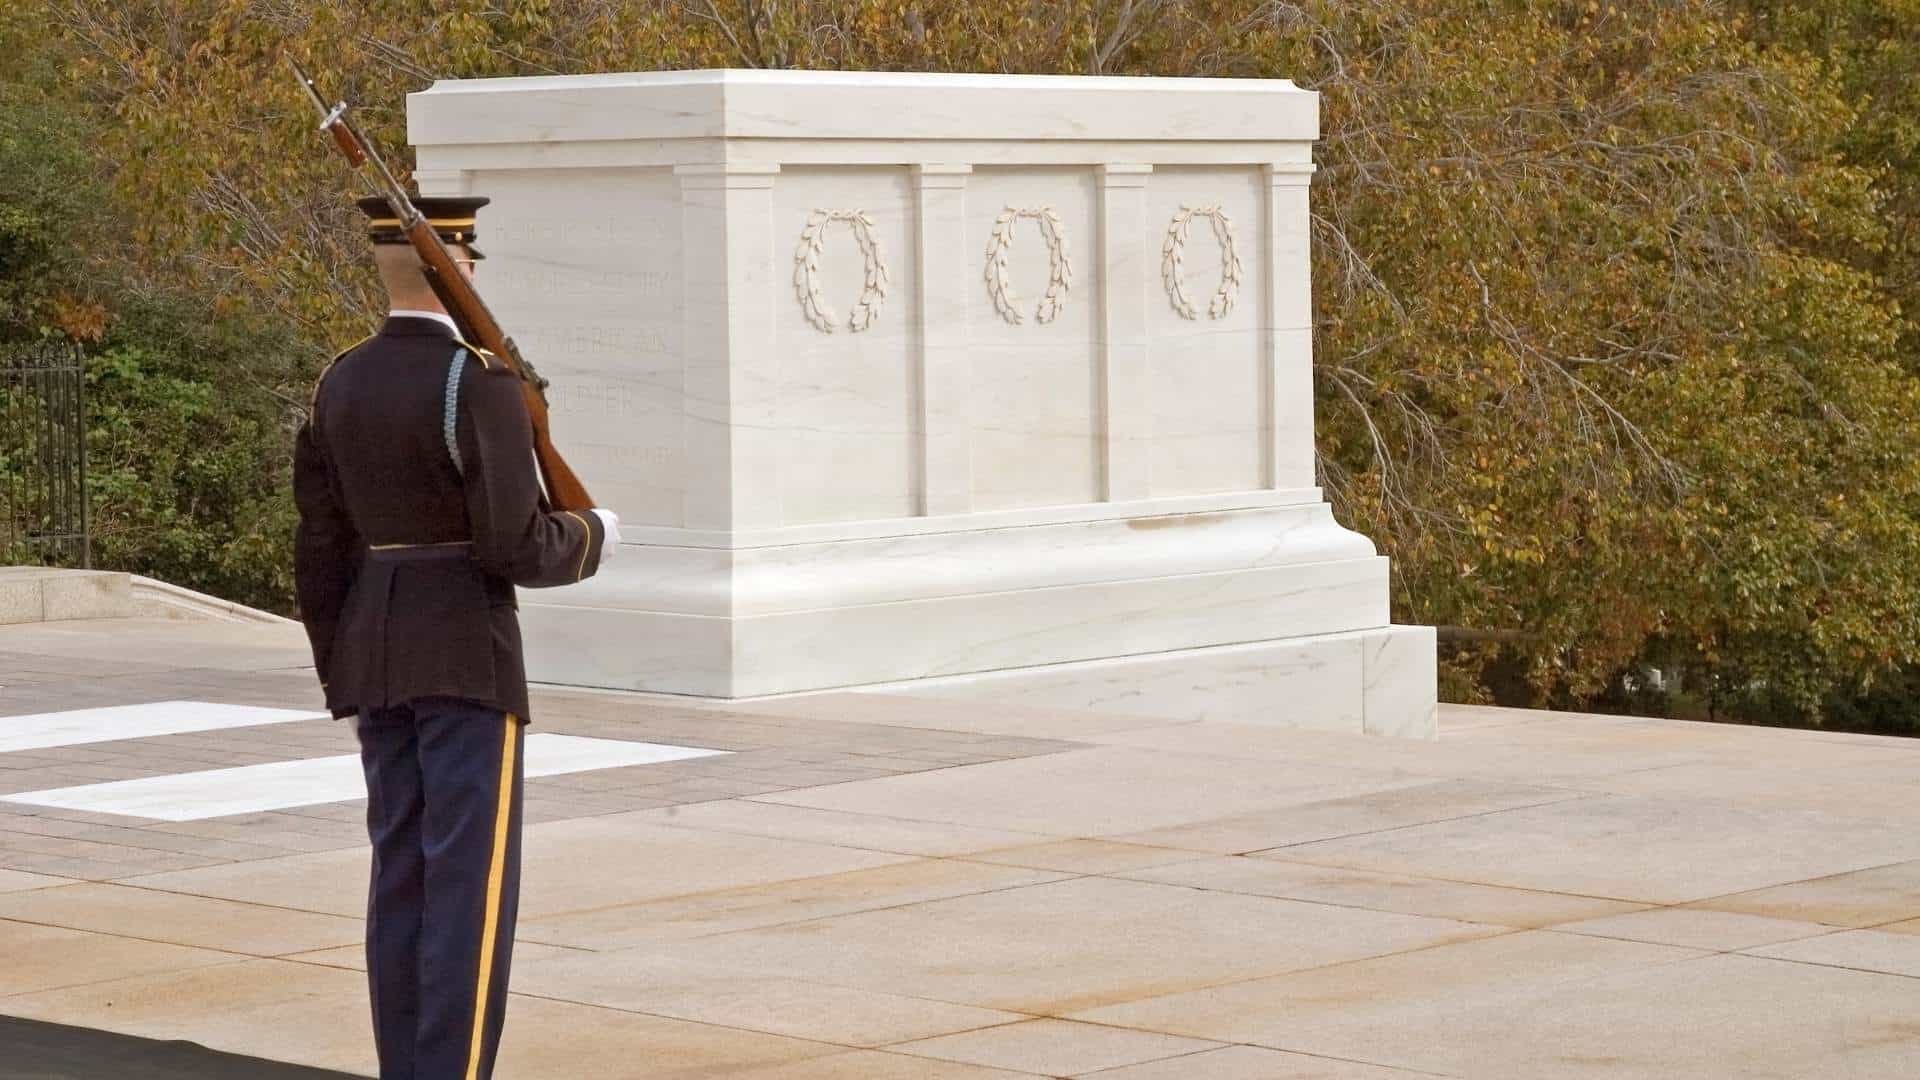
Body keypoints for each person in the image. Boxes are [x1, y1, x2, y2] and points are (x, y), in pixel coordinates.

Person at [292, 193, 619, 1080]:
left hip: (375, 651)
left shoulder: (338, 380)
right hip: (466, 653)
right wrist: (594, 534)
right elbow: (514, 545)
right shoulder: (478, 382)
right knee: (468, 886)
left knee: (400, 870)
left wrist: (342, 666)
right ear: (457, 267)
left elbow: (319, 550)